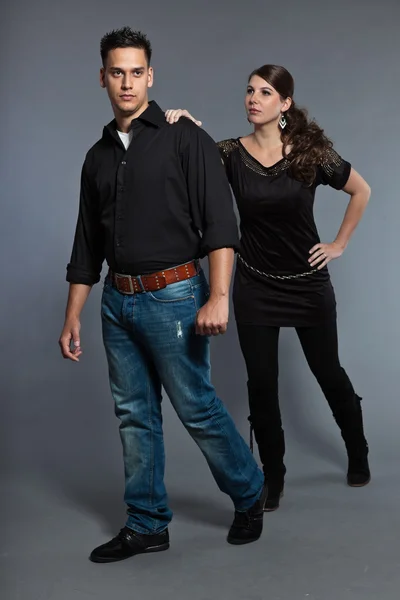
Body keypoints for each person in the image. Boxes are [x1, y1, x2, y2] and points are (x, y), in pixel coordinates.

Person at [58, 27, 266, 563]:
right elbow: (86, 245)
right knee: (134, 414)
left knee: (195, 407)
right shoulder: (96, 158)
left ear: (150, 76)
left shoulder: (184, 137)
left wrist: (218, 295)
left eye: (136, 72)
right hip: (115, 301)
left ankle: (250, 492)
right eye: (116, 72)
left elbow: (221, 222)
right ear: (102, 77)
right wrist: (72, 316)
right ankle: (148, 523)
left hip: (175, 295)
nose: (126, 82)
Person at [165, 63, 371, 512]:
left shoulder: (311, 153)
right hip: (255, 284)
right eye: (249, 91)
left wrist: (338, 244)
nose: (253, 99)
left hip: (307, 284)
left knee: (328, 373)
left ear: (284, 103)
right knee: (261, 384)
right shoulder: (228, 153)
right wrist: (189, 126)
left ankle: (358, 450)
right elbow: (190, 161)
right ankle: (272, 477)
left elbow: (362, 191)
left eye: (264, 92)